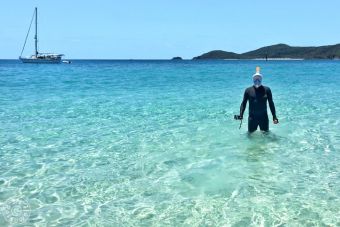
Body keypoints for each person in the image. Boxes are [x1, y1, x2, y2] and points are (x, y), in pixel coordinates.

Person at [236, 67, 278, 133]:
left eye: (259, 79)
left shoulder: (267, 90)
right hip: (252, 118)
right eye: (255, 79)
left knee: (266, 136)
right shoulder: (248, 90)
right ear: (253, 80)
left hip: (263, 118)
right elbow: (243, 103)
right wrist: (241, 114)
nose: (257, 81)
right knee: (250, 137)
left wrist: (274, 117)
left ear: (261, 79)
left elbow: (271, 103)